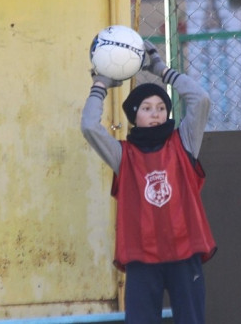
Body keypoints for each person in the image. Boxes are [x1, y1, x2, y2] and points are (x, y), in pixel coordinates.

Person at [81, 39, 217, 324]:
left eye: (161, 107)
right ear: (133, 115)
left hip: (184, 253)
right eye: (146, 108)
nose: (155, 113)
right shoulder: (123, 155)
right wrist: (100, 85)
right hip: (142, 258)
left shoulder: (184, 142)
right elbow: (90, 126)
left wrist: (162, 71)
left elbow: (200, 99)